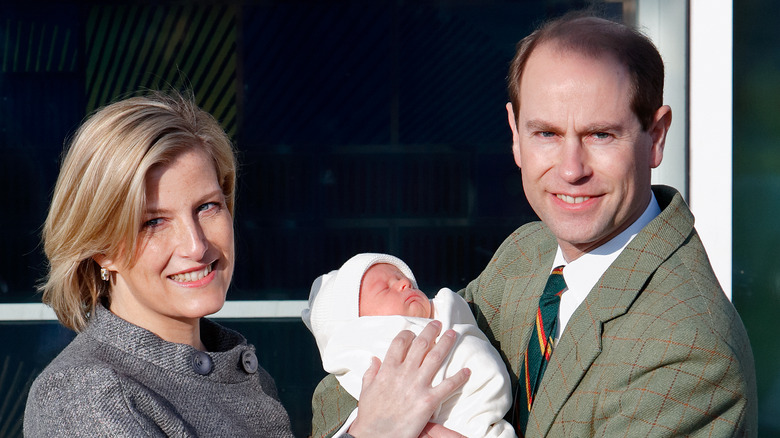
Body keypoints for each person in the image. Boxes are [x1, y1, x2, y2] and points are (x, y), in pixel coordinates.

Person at [311, 12, 758, 438]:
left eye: (600, 135)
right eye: (546, 133)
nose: (570, 169)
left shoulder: (691, 354)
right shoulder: (529, 251)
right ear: (515, 134)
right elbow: (351, 366)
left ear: (656, 137)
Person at [24, 92, 468, 438]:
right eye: (153, 222)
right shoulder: (84, 394)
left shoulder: (248, 376)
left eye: (207, 207)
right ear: (101, 247)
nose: (196, 245)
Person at [302, 253, 513, 438]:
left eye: (405, 280)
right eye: (385, 288)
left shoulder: (457, 311)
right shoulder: (360, 356)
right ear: (357, 324)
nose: (405, 284)